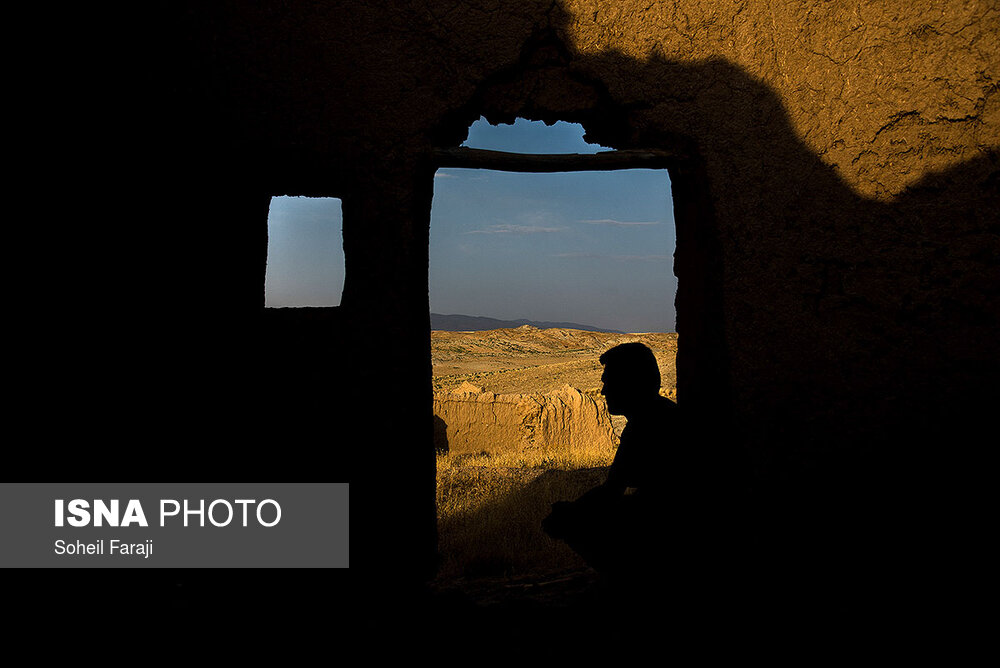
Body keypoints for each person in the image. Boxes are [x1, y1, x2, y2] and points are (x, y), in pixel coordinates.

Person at [542, 342, 682, 585]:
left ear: (630, 382)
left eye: (609, 381)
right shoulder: (657, 416)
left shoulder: (646, 428)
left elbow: (611, 492)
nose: (604, 391)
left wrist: (571, 513)